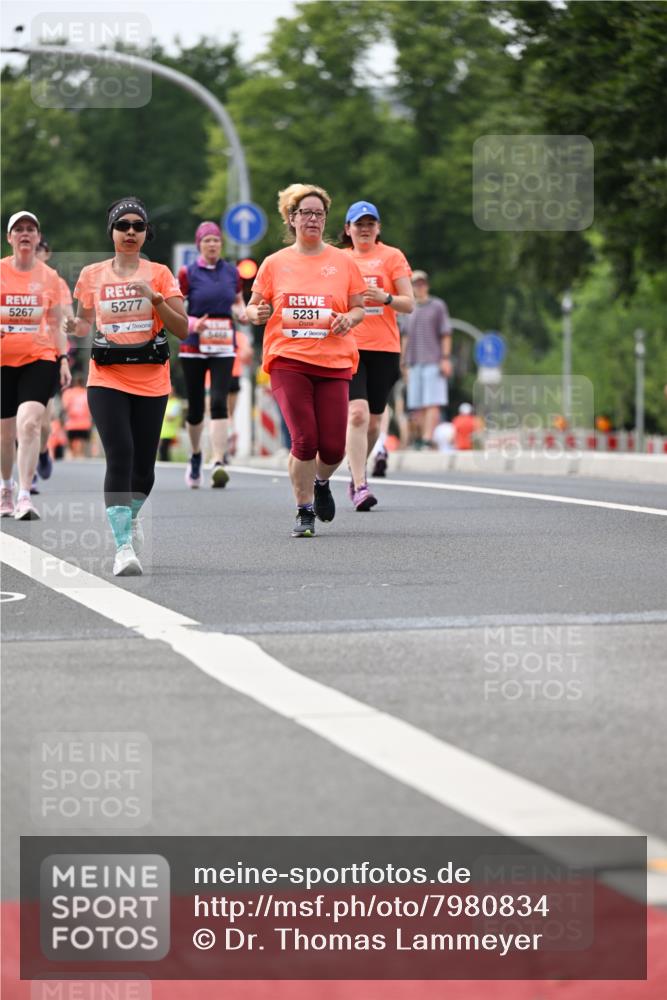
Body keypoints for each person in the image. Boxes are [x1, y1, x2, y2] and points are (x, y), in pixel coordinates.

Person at [66, 196, 187, 576]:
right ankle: (122, 547)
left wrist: (156, 300)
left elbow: (182, 328)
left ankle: (130, 516)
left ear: (146, 232)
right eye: (123, 225)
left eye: (138, 226)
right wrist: (73, 327)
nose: (130, 232)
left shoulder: (160, 273)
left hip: (152, 379)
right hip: (107, 377)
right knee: (120, 453)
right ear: (112, 231)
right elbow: (84, 324)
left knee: (144, 471)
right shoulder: (92, 275)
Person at [246, 183, 366, 537]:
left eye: (319, 213)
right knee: (304, 440)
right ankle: (304, 510)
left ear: (325, 219)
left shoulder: (343, 261)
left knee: (333, 448)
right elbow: (252, 306)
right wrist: (256, 313)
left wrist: (349, 319)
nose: (312, 219)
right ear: (292, 218)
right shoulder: (274, 263)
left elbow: (359, 308)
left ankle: (321, 482)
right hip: (288, 359)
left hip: (334, 361)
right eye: (305, 213)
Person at [340, 200, 414, 509]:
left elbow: (409, 303)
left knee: (373, 423)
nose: (365, 229)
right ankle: (360, 484)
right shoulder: (340, 260)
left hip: (385, 348)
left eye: (370, 224)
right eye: (359, 224)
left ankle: (357, 468)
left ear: (378, 228)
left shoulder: (392, 256)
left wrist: (385, 297)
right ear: (348, 229)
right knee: (356, 414)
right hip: (350, 347)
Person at [1, 211, 71, 519]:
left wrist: (63, 358)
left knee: (29, 423)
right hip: (3, 361)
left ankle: (25, 495)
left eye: (31, 229)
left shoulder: (49, 277)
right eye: (19, 229)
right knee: (4, 435)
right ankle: (6, 488)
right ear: (10, 238)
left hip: (39, 357)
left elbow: (56, 323)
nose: (25, 233)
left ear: (38, 237)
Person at [178, 222, 247, 489]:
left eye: (216, 240)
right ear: (199, 245)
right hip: (194, 345)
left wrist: (242, 313)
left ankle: (218, 461)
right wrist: (193, 323)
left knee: (219, 400)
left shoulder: (232, 272)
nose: (212, 244)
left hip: (223, 343)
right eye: (207, 240)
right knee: (196, 407)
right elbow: (176, 308)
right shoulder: (187, 273)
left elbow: (237, 300)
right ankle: (196, 454)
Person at [31, 237, 76, 489]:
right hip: (16, 354)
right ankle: (28, 474)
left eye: (41, 249)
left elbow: (68, 316)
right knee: (20, 420)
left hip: (48, 354)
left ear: (47, 254)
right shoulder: (10, 277)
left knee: (43, 421)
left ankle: (41, 453)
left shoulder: (56, 282)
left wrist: (69, 322)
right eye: (33, 248)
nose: (36, 252)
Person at [401, 270, 453, 448]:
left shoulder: (437, 306)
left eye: (422, 283)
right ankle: (421, 436)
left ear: (427, 285)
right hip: (414, 361)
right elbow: (405, 336)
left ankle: (427, 436)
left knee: (432, 401)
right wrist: (403, 362)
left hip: (433, 360)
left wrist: (445, 358)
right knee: (417, 404)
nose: (419, 287)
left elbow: (445, 333)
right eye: (416, 284)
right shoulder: (408, 308)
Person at [60, 373, 93, 457]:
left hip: (71, 424)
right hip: (85, 424)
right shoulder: (87, 393)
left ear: (74, 383)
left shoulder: (68, 393)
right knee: (84, 444)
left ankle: (73, 455)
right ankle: (83, 457)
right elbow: (91, 409)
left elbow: (65, 408)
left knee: (70, 443)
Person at [159, 389, 184, 461]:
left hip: (170, 432)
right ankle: (165, 462)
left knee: (163, 450)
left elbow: (171, 417)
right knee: (163, 450)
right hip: (163, 432)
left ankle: (166, 463)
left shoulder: (176, 403)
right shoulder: (167, 402)